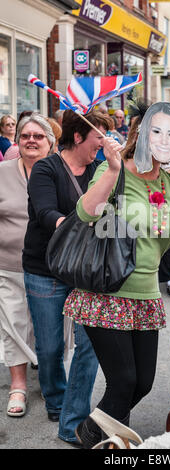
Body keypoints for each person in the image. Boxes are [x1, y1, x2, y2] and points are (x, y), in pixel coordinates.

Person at [62, 101, 170, 449]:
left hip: (146, 297)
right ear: (141, 134)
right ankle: (99, 440)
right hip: (106, 294)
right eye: (158, 131)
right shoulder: (113, 168)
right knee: (123, 382)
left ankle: (93, 432)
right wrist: (111, 170)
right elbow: (86, 213)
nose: (166, 141)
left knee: (142, 384)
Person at [22, 110, 113, 444]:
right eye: (99, 137)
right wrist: (78, 225)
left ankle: (74, 413)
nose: (103, 145)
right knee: (49, 348)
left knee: (89, 344)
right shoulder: (46, 168)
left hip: (85, 270)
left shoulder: (100, 170)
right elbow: (46, 213)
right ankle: (58, 399)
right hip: (44, 269)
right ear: (78, 137)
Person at [0, 113, 55, 418]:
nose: (31, 140)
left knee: (48, 331)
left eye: (38, 136)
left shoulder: (60, 171)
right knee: (13, 324)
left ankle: (50, 383)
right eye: (25, 135)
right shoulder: (3, 172)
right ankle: (18, 386)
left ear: (51, 142)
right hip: (8, 263)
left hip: (50, 267)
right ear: (17, 141)